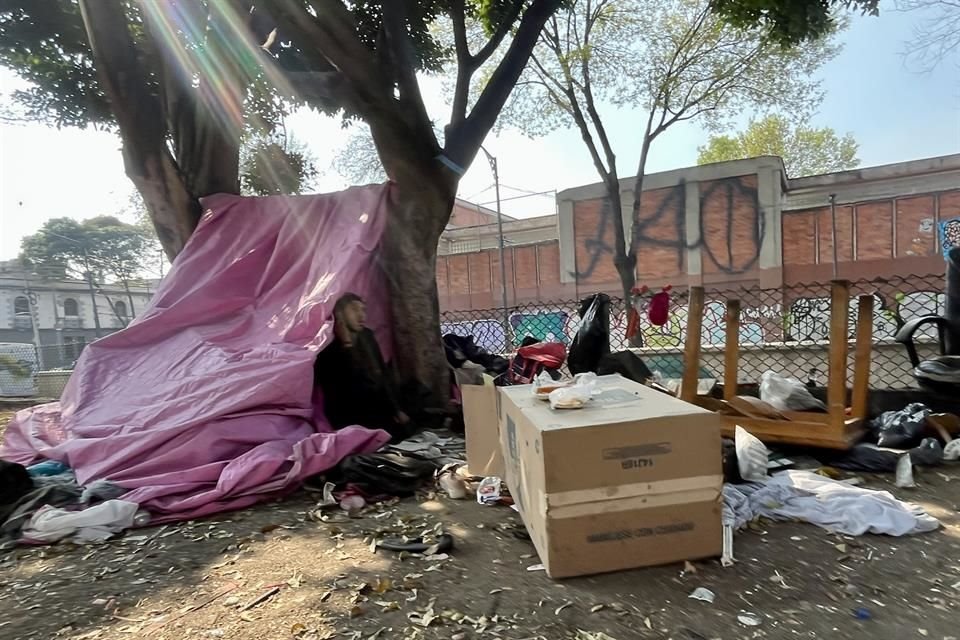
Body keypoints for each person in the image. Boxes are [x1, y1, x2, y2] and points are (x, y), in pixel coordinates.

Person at [313, 293, 412, 441]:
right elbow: (347, 385)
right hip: (349, 411)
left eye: (363, 310)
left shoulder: (367, 335)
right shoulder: (327, 345)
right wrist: (347, 345)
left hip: (377, 405)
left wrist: (396, 409)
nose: (361, 316)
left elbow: (381, 374)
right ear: (339, 314)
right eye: (354, 309)